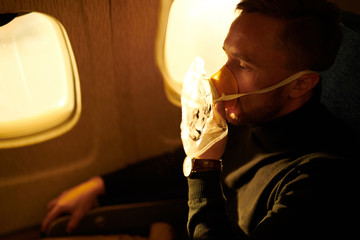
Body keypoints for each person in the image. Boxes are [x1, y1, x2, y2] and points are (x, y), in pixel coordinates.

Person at [42, 0, 357, 239]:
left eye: (244, 64)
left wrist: (205, 167)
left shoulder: (321, 180)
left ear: (300, 84)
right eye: (227, 56)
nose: (221, 77)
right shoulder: (251, 117)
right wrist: (100, 186)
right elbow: (180, 162)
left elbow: (202, 163)